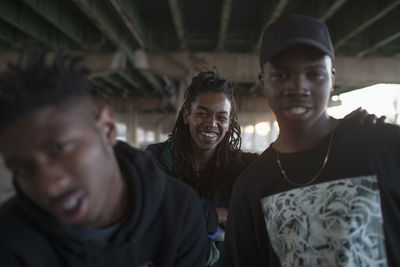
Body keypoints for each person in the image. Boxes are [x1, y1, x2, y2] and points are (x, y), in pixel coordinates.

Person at [223, 14, 400, 267]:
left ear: (332, 78)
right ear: (263, 82)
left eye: (315, 74)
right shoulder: (251, 187)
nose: (298, 86)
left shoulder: (387, 147)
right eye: (281, 75)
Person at [0, 52, 208, 267]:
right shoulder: (9, 240)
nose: (48, 188)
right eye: (23, 169)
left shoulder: (178, 211)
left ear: (107, 129)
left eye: (59, 148)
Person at [146, 71, 258, 266]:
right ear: (187, 116)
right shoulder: (157, 158)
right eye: (202, 114)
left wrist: (211, 215)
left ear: (229, 121)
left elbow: (260, 215)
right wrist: (220, 215)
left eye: (221, 117)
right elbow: (152, 212)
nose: (211, 124)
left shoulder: (243, 166)